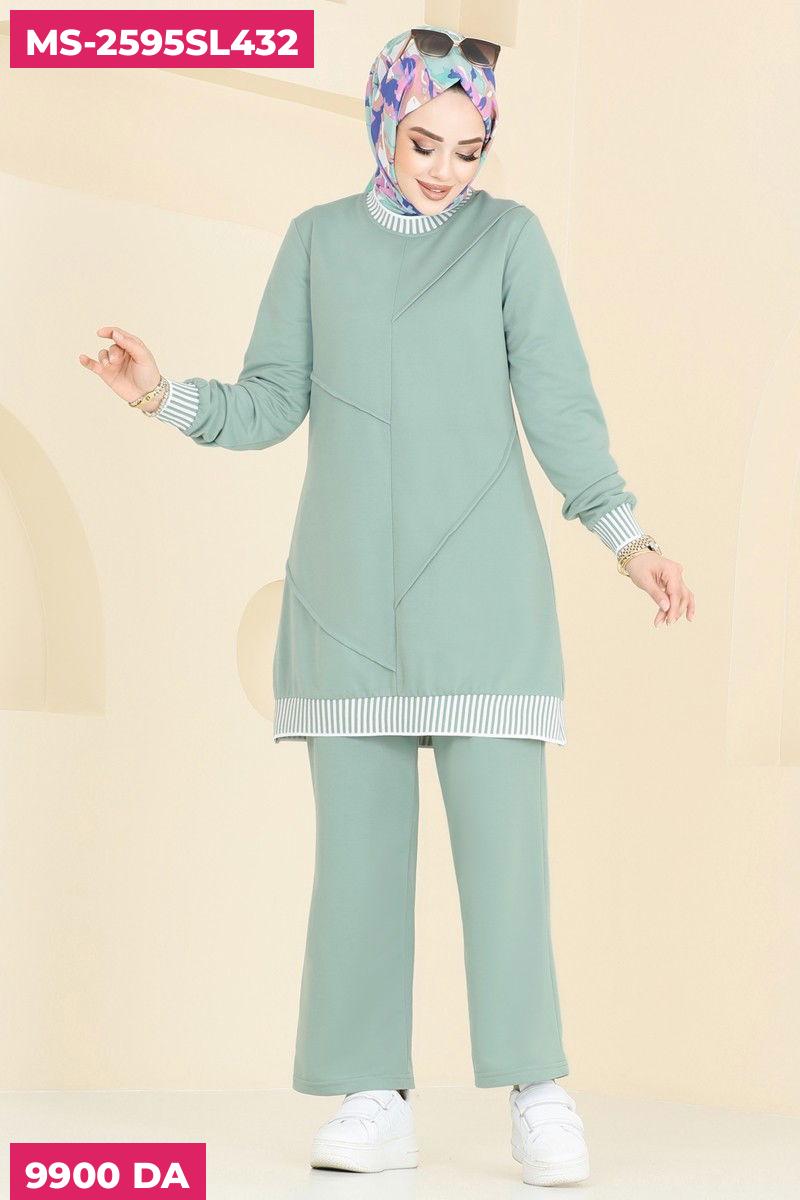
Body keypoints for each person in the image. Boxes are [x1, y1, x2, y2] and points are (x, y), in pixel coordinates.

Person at [79, 23, 694, 1188]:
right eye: (423, 142)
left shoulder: (508, 241)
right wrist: (159, 395)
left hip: (485, 601)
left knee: (505, 868)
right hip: (347, 604)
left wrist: (627, 540)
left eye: (468, 149)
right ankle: (372, 1094)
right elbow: (269, 403)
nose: (444, 171)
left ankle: (537, 1093)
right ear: (382, 123)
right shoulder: (315, 242)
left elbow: (558, 406)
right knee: (356, 869)